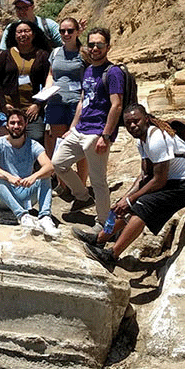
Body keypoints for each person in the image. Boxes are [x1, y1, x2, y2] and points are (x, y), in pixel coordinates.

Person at [83, 104, 185, 266]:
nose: (132, 125)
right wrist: (125, 199)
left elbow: (159, 180)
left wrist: (132, 200)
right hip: (176, 180)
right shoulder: (142, 140)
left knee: (143, 204)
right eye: (128, 122)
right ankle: (100, 239)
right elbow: (145, 175)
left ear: (146, 119)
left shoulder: (156, 139)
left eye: (136, 121)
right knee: (126, 204)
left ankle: (112, 255)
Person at [55, 27, 125, 231]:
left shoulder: (113, 73)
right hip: (81, 129)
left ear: (108, 47)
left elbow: (116, 105)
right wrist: (73, 127)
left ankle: (104, 223)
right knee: (58, 164)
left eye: (99, 45)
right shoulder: (88, 69)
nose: (95, 48)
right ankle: (83, 197)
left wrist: (106, 135)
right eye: (92, 44)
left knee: (98, 180)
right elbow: (83, 100)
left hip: (97, 133)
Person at [0, 107, 58, 234]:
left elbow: (49, 167)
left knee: (44, 177)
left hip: (24, 192)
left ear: (25, 125)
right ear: (7, 125)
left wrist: (34, 177)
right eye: (12, 123)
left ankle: (45, 217)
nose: (16, 126)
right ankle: (23, 216)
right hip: (2, 196)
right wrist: (8, 176)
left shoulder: (34, 145)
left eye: (19, 123)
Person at [0, 19, 53, 142]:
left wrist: (38, 104)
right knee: (7, 140)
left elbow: (49, 81)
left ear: (33, 34)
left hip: (31, 110)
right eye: (19, 32)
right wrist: (3, 105)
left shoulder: (42, 55)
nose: (23, 35)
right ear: (14, 35)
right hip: (9, 109)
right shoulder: (5, 55)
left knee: (36, 138)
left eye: (26, 31)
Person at [46, 17, 87, 165]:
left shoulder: (84, 54)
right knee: (59, 146)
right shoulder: (55, 52)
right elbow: (51, 74)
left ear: (77, 32)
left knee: (80, 147)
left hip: (77, 104)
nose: (66, 34)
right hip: (56, 102)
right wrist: (47, 89)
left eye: (70, 30)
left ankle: (81, 186)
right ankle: (64, 186)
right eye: (62, 31)